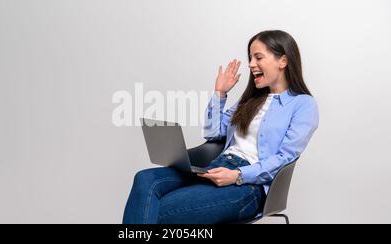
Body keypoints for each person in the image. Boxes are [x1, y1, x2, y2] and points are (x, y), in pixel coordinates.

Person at [123, 30, 319, 224]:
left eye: (258, 57)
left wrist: (238, 175)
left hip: (249, 185)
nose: (251, 64)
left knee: (157, 210)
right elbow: (213, 133)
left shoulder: (303, 104)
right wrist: (220, 94)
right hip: (215, 167)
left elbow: (285, 158)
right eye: (250, 58)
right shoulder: (251, 100)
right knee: (144, 179)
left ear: (282, 61)